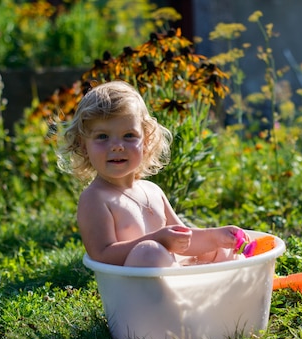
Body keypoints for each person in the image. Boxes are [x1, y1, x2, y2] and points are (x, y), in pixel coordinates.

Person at [58, 80, 248, 267]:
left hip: (171, 278)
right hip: (135, 290)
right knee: (149, 251)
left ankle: (222, 284)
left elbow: (185, 241)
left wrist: (215, 237)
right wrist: (157, 240)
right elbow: (102, 254)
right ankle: (188, 288)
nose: (116, 146)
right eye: (102, 137)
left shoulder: (152, 190)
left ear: (146, 141)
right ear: (83, 146)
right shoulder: (95, 198)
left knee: (220, 248)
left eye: (129, 136)